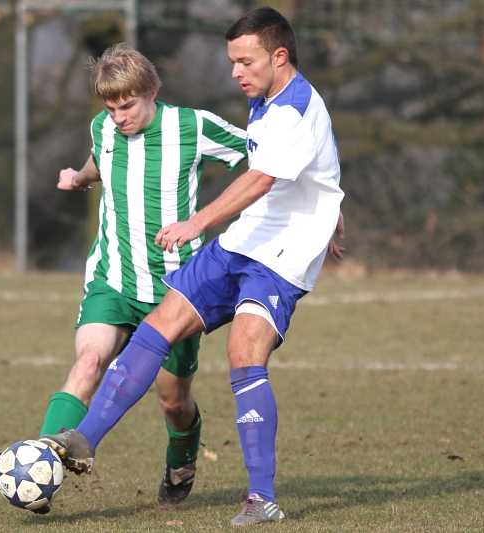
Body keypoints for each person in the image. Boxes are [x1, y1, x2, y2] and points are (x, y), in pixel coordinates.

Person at [39, 7, 345, 526]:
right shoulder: (267, 96)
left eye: (245, 62)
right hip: (246, 236)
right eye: (232, 61)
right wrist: (333, 201)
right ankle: (82, 440)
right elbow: (318, 160)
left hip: (283, 253)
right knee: (159, 324)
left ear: (279, 56)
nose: (235, 72)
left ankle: (262, 498)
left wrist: (197, 222)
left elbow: (261, 177)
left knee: (242, 353)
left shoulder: (292, 109)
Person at [21, 43, 249, 513]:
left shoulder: (193, 126)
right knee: (88, 364)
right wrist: (78, 177)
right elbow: (99, 161)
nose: (119, 118)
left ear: (152, 93)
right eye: (111, 108)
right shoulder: (102, 127)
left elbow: (268, 162)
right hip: (113, 278)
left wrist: (322, 205)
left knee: (172, 402)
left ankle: (182, 461)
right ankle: (41, 470)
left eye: (128, 106)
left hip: (177, 292)